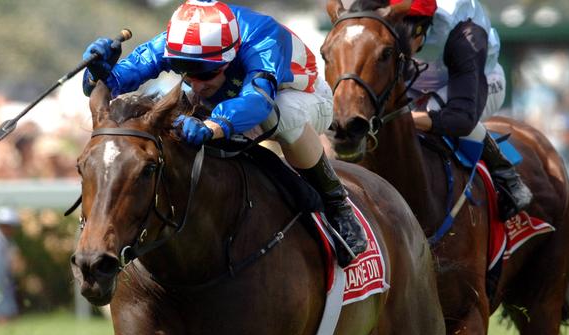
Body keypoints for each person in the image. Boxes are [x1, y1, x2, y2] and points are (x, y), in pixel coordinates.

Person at [81, 0, 367, 266]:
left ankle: (336, 204)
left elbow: (258, 100)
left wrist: (213, 126)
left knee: (282, 115)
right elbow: (120, 81)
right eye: (184, 69)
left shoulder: (263, 37)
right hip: (233, 99)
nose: (195, 81)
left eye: (205, 72)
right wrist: (98, 72)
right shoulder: (183, 40)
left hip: (299, 95)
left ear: (230, 57)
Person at [393, 0, 533, 220]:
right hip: (423, 81)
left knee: (434, 110)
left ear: (421, 27)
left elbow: (461, 118)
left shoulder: (467, 35)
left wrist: (403, 118)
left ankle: (505, 173)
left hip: (483, 81)